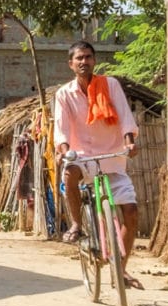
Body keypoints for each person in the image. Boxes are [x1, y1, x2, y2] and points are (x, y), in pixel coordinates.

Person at [53, 40, 142, 290]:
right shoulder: (64, 94)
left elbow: (125, 118)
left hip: (113, 157)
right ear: (71, 64)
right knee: (69, 173)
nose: (84, 62)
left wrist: (130, 143)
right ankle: (77, 225)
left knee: (132, 212)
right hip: (82, 156)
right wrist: (63, 151)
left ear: (95, 61)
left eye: (88, 57)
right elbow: (60, 130)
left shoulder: (110, 85)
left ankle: (120, 270)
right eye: (79, 58)